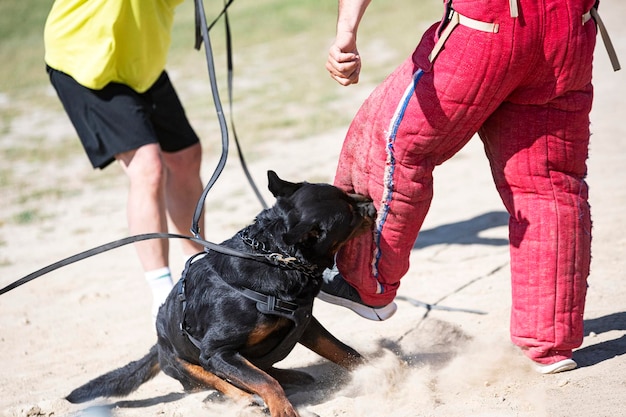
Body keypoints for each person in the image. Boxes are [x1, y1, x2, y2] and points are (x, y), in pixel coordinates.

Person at [319, 0, 603, 374]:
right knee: (548, 183)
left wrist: (346, 34)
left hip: (489, 27)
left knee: (391, 145)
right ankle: (549, 341)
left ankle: (365, 282)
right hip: (571, 31)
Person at [44, 0, 205, 319]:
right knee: (148, 168)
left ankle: (197, 266)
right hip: (86, 63)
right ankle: (162, 294)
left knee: (186, 157)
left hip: (140, 64)